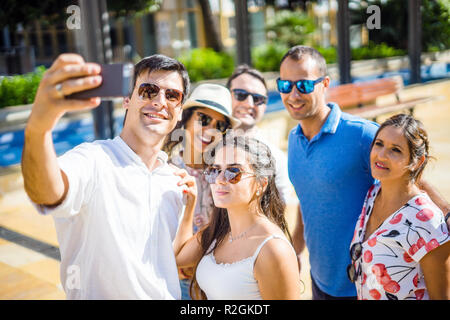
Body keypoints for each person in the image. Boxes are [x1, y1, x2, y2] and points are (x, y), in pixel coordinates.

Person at [280, 45, 450, 299]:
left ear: (325, 83)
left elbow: (411, 175)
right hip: (320, 282)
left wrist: (446, 213)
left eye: (303, 85)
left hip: (364, 285)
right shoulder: (294, 140)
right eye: (285, 85)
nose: (293, 94)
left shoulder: (361, 134)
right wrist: (295, 248)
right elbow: (307, 200)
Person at [21, 53, 196, 299]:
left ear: (179, 111)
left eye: (172, 95)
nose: (159, 101)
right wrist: (39, 127)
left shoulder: (174, 181)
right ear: (127, 99)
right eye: (148, 90)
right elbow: (46, 192)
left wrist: (190, 210)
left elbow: (170, 259)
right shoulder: (94, 160)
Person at [173, 136, 302, 300]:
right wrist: (189, 205)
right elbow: (178, 257)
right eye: (215, 171)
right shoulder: (218, 231)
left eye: (233, 172)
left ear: (261, 184)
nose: (219, 180)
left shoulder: (273, 249)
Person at [348, 114, 449, 300]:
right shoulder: (372, 195)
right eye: (379, 144)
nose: (381, 155)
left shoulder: (426, 220)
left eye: (395, 150)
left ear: (416, 162)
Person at [163, 83, 240, 299]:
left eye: (220, 125)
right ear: (185, 119)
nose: (211, 130)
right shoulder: (162, 171)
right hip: (173, 282)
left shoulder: (229, 175)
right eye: (203, 119)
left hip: (219, 281)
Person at [226, 65, 293, 204]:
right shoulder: (206, 146)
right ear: (226, 96)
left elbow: (282, 210)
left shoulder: (276, 159)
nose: (249, 103)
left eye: (257, 98)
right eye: (240, 95)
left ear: (265, 105)